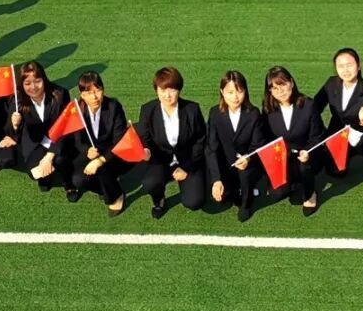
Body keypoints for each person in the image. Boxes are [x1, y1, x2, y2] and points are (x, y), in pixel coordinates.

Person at [139, 66, 207, 218]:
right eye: (162, 90)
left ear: (179, 90)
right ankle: (159, 200)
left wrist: (186, 168)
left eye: (172, 90)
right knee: (150, 183)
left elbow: (200, 140)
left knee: (194, 201)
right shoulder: (147, 110)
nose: (167, 95)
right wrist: (147, 150)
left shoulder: (192, 109)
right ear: (156, 90)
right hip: (161, 160)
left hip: (187, 160)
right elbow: (145, 139)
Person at [313, 48, 363, 195]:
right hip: (339, 134)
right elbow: (315, 107)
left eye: (349, 65)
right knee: (336, 172)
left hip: (362, 135)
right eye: (341, 66)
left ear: (359, 65)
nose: (345, 70)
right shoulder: (331, 84)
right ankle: (347, 155)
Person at [67, 71, 134, 214]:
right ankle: (106, 187)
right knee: (78, 180)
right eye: (88, 93)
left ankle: (116, 195)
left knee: (102, 170)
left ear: (103, 90)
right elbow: (78, 141)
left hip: (114, 154)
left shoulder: (114, 107)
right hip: (91, 153)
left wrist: (100, 160)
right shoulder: (77, 111)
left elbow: (119, 141)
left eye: (98, 91)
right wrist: (87, 151)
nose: (94, 97)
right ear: (82, 95)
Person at [262, 66, 323, 215]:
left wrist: (308, 152)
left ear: (292, 82)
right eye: (274, 88)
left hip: (306, 156)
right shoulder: (268, 109)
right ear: (270, 91)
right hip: (283, 157)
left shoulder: (308, 105)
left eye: (283, 84)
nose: (280, 91)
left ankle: (310, 193)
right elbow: (267, 138)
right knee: (277, 194)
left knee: (304, 169)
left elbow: (317, 136)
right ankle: (294, 183)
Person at [4, 62, 74, 194]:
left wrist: (48, 158)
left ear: (44, 79)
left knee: (60, 160)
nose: (33, 87)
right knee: (34, 172)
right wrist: (15, 125)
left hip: (58, 138)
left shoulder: (60, 94)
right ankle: (46, 179)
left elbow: (65, 127)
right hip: (36, 142)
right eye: (27, 83)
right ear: (22, 84)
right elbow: (10, 131)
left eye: (37, 81)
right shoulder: (17, 99)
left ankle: (68, 182)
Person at [206, 71, 263, 222]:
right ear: (222, 92)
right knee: (221, 199)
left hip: (248, 165)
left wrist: (248, 158)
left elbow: (257, 144)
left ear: (245, 91)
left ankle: (246, 203)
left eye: (239, 91)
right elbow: (211, 148)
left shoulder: (253, 113)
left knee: (244, 176)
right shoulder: (215, 113)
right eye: (230, 92)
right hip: (226, 164)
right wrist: (216, 179)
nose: (235, 97)